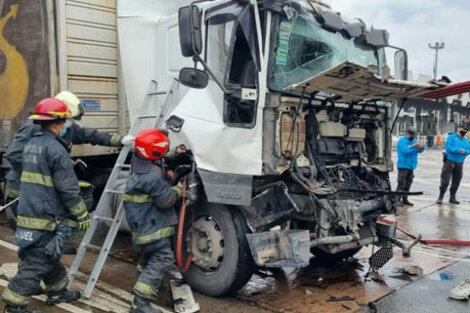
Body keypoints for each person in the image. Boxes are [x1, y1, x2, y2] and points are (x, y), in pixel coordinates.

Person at [1, 98, 91, 313]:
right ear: (57, 123)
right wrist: (81, 214)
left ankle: (58, 292)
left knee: (47, 255)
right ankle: (14, 306)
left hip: (28, 211)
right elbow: (68, 188)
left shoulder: (32, 145)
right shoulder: (56, 150)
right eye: (65, 122)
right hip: (44, 216)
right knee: (37, 261)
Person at [4, 90, 134, 225]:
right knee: (32, 229)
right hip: (22, 191)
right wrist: (44, 170)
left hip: (43, 194)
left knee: (46, 230)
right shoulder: (34, 128)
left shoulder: (65, 128)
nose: (70, 123)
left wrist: (120, 140)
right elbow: (14, 155)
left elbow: (90, 135)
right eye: (68, 119)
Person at [123, 129, 182, 313]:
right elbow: (166, 201)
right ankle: (140, 303)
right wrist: (179, 190)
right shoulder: (152, 177)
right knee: (163, 259)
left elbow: (157, 158)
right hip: (153, 230)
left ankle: (144, 282)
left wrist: (175, 154)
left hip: (143, 229)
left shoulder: (140, 162)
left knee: (149, 258)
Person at [437, 124, 470, 204]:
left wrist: (465, 152)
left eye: (465, 130)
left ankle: (452, 197)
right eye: (463, 129)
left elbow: (468, 150)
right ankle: (440, 197)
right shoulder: (451, 137)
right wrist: (458, 150)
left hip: (460, 162)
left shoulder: (465, 139)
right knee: (445, 180)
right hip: (450, 161)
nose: (464, 131)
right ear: (458, 129)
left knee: (457, 180)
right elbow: (448, 148)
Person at [396, 127, 424, 206]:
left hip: (411, 166)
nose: (412, 136)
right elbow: (405, 151)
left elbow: (420, 151)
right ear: (408, 133)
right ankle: (397, 199)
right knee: (401, 184)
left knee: (408, 184)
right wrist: (414, 147)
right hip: (403, 165)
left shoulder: (414, 141)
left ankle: (405, 199)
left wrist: (421, 147)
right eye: (411, 134)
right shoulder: (402, 141)